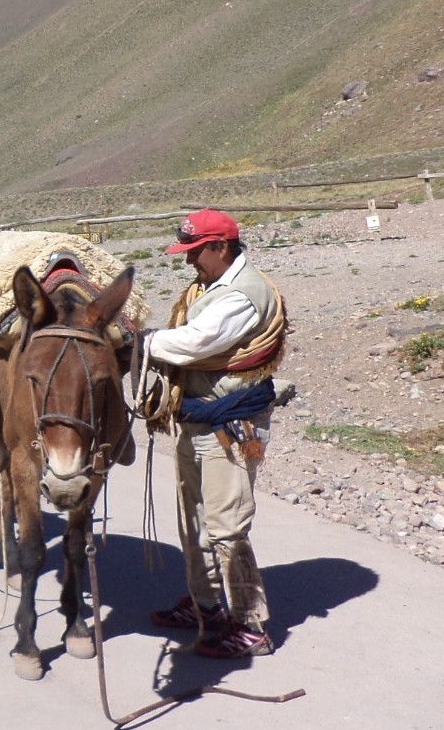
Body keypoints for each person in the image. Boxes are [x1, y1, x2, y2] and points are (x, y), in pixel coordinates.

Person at [145, 209, 287, 659]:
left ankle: (250, 625)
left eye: (195, 253)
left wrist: (141, 342)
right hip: (198, 420)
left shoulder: (243, 296)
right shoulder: (209, 286)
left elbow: (195, 343)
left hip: (233, 424)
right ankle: (205, 605)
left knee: (227, 526)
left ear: (220, 247)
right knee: (194, 521)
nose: (189, 263)